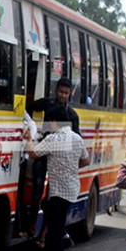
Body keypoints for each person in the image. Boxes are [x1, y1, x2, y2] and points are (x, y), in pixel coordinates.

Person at [23, 106, 90, 251]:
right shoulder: (77, 138)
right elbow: (86, 160)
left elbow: (33, 153)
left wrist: (28, 138)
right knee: (48, 209)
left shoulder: (53, 139)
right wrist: (70, 169)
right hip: (70, 190)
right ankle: (65, 235)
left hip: (59, 192)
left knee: (53, 235)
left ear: (54, 122)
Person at [25, 78, 80, 238]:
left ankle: (43, 233)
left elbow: (76, 139)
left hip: (60, 159)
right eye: (61, 92)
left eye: (66, 93)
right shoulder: (46, 104)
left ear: (69, 94)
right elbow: (26, 107)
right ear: (56, 91)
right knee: (37, 189)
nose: (63, 95)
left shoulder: (72, 115)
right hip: (44, 152)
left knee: (53, 196)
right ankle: (32, 224)